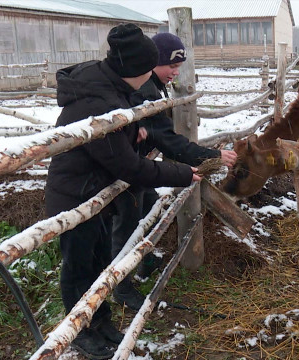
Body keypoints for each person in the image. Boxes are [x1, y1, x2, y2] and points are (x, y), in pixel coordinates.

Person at [45, 24, 200, 360]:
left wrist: (133, 133)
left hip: (94, 191)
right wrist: (183, 172)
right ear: (135, 70)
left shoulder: (111, 85)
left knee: (100, 258)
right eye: (148, 70)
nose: (150, 78)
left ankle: (99, 320)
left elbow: (115, 144)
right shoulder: (98, 101)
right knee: (78, 266)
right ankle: (79, 330)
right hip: (74, 195)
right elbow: (128, 166)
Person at [111, 32, 237, 311]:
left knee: (146, 211)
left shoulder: (153, 87)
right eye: (172, 65)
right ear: (153, 61)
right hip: (126, 168)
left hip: (139, 165)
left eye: (179, 66)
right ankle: (121, 286)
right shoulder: (145, 92)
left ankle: (143, 261)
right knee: (127, 224)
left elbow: (159, 134)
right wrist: (212, 155)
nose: (176, 72)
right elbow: (168, 140)